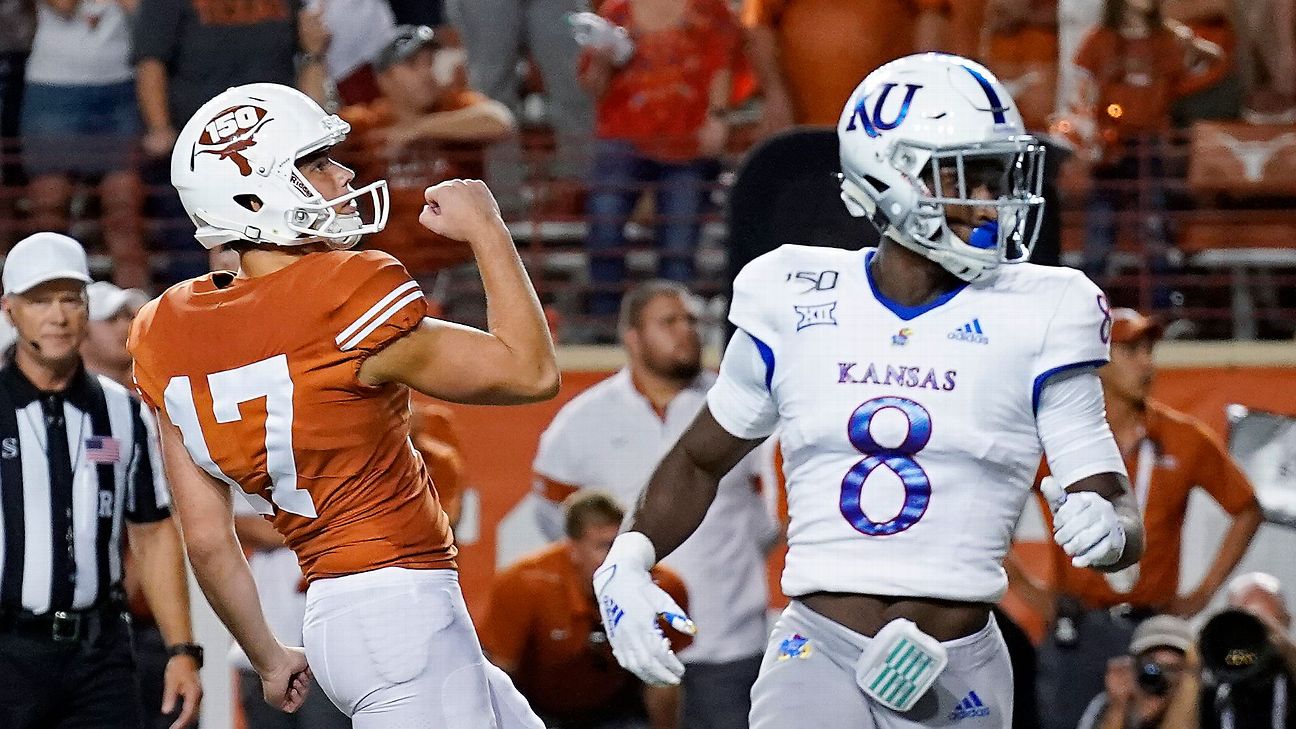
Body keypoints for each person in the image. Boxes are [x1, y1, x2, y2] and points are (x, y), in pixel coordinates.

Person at [591, 52, 1147, 729]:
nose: (992, 201)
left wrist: (1108, 528)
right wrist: (629, 556)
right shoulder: (793, 293)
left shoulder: (1044, 308)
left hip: (958, 663)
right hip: (816, 650)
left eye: (999, 174)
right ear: (890, 177)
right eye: (967, 176)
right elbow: (702, 455)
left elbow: (1108, 497)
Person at [126, 82, 558, 726]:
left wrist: (268, 657)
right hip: (399, 612)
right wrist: (488, 230)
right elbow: (529, 372)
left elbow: (210, 542)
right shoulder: (341, 294)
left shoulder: (168, 328)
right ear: (254, 195)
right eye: (316, 164)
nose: (343, 174)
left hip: (338, 614)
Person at [530, 279, 777, 729]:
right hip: (628, 643)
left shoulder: (745, 405)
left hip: (729, 641)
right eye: (669, 322)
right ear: (632, 336)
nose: (687, 331)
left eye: (692, 321)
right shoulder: (582, 421)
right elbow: (559, 524)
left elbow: (769, 523)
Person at [1012, 307, 1262, 729]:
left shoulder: (1184, 437)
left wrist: (1203, 594)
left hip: (1155, 628)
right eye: (1130, 350)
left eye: (1149, 350)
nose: (1147, 363)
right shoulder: (1055, 440)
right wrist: (1023, 587)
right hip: (1079, 624)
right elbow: (991, 502)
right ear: (1097, 359)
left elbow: (1247, 509)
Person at [0, 232, 202, 729]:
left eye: (71, 299)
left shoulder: (123, 411)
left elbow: (152, 530)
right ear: (10, 310)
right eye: (39, 300)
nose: (57, 316)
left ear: (87, 307)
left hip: (99, 653)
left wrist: (181, 648)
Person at [575, 0, 740, 331]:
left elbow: (723, 64)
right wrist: (604, 61)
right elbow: (593, 87)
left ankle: (673, 329)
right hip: (623, 137)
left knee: (678, 245)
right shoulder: (615, 12)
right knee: (604, 225)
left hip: (686, 140)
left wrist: (718, 117)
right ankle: (606, 324)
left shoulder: (710, 10)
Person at [482, 492, 691, 729]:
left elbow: (661, 682)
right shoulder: (523, 585)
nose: (614, 558)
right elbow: (500, 678)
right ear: (572, 549)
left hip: (618, 709)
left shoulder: (661, 589)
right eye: (603, 546)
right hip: (537, 710)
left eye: (619, 546)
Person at [333, 24, 516, 275]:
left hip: (462, 262)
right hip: (391, 265)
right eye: (412, 65)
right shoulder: (367, 120)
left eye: (429, 63)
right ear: (384, 78)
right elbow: (320, 134)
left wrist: (417, 129)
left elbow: (499, 120)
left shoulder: (453, 105)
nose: (426, 73)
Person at [21, 0, 148, 288]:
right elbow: (63, 5)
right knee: (49, 209)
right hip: (53, 90)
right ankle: (43, 301)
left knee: (125, 210)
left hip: (121, 87)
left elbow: (143, 11)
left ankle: (138, 311)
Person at [741, 0, 950, 135]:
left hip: (885, 123)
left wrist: (920, 86)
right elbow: (760, 24)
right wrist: (775, 93)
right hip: (804, 127)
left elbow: (931, 14)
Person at [1198, 573, 1296, 729]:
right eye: (1245, 628)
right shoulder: (1211, 686)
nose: (1255, 640)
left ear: (1287, 622)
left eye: (1267, 627)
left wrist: (1288, 650)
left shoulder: (1290, 682)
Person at [1075, 615, 1201, 729]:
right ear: (1134, 666)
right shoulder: (1104, 704)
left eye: (1171, 669)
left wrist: (1182, 702)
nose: (1158, 675)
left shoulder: (1204, 707)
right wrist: (1118, 707)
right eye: (1151, 666)